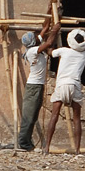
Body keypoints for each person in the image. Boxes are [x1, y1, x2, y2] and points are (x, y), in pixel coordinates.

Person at [42, 28, 85, 154]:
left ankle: (46, 147)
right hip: (74, 86)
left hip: (61, 85)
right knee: (76, 119)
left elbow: (50, 52)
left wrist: (52, 35)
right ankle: (77, 149)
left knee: (54, 116)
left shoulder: (64, 51)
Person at [17, 15, 58, 151]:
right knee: (28, 116)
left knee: (33, 115)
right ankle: (23, 142)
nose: (37, 37)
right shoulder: (33, 51)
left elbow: (44, 28)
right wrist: (55, 31)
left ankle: (27, 142)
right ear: (32, 42)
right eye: (34, 38)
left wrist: (48, 13)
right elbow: (49, 43)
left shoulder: (33, 46)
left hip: (38, 86)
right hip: (33, 87)